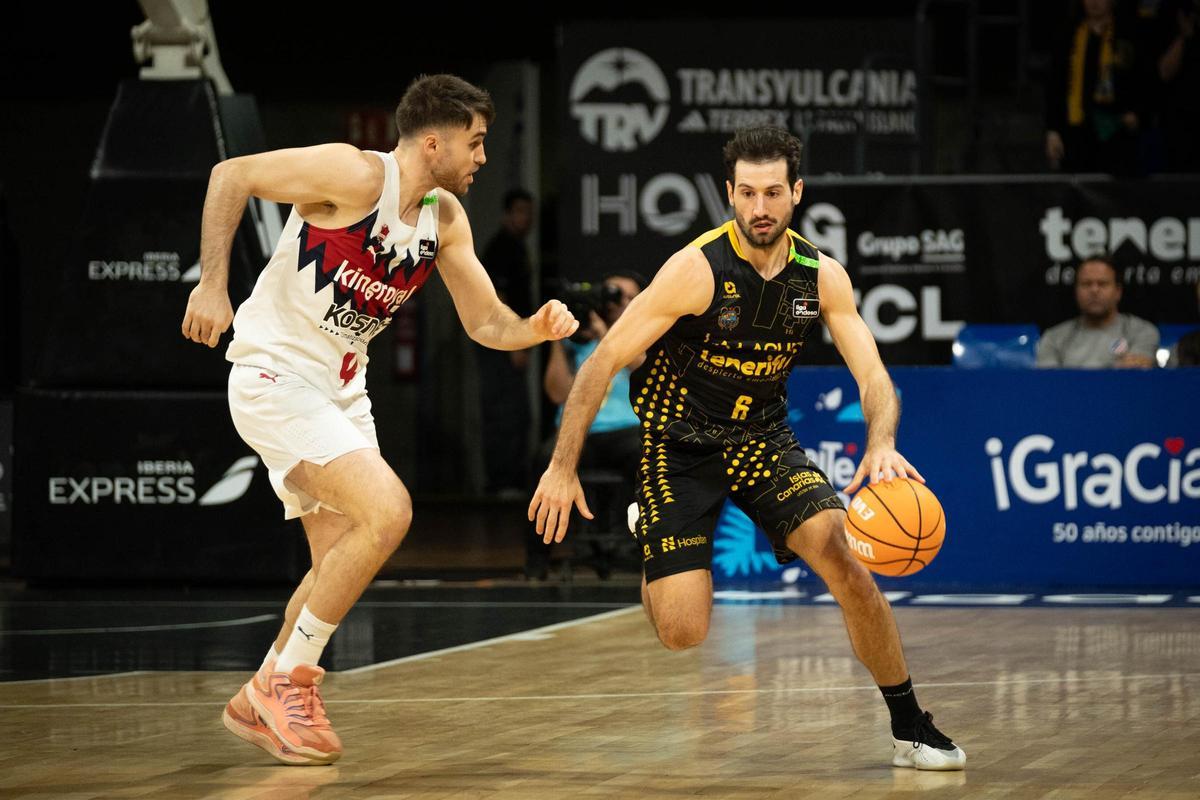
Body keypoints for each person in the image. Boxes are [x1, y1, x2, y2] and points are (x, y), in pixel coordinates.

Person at [529, 126, 966, 771]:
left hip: (762, 439)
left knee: (847, 563)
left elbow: (873, 375)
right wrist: (562, 467)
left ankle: (910, 725)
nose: (759, 207)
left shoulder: (820, 277)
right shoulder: (695, 269)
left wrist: (881, 441)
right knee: (684, 632)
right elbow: (603, 363)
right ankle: (652, 526)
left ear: (796, 193)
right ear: (728, 194)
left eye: (772, 193)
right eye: (745, 193)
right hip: (680, 444)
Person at [180, 74, 577, 766]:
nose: (484, 156)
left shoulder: (445, 218)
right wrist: (213, 284)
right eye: (476, 143)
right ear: (434, 141)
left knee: (339, 561)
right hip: (277, 376)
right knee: (389, 512)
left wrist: (534, 329)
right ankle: (291, 681)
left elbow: (485, 320)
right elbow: (230, 174)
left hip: (340, 393)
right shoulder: (353, 174)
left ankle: (257, 695)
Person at [526, 271, 646, 579]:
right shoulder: (577, 339)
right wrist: (555, 340)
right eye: (614, 295)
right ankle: (537, 560)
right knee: (544, 459)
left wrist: (605, 332)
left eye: (628, 296)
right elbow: (556, 392)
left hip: (626, 432)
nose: (620, 302)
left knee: (651, 455)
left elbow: (642, 369)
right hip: (578, 433)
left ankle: (643, 549)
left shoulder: (640, 333)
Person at [477, 188, 536, 495]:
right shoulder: (500, 248)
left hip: (514, 340)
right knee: (505, 411)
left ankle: (512, 479)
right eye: (520, 212)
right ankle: (501, 482)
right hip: (501, 343)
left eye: (529, 213)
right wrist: (514, 343)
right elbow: (497, 298)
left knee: (517, 412)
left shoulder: (518, 247)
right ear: (506, 214)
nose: (526, 219)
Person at [1045, 0, 1143, 174]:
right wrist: (1053, 130)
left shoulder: (1127, 34)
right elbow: (1055, 85)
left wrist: (1136, 112)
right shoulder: (1069, 34)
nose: (1094, 2)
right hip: (1075, 131)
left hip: (1115, 131)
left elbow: (1142, 78)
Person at [1036, 255, 1158, 368]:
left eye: (1102, 284)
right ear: (1076, 291)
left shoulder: (1142, 332)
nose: (1094, 290)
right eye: (1086, 284)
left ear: (1118, 291)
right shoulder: (1053, 338)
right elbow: (1050, 384)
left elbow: (1135, 376)